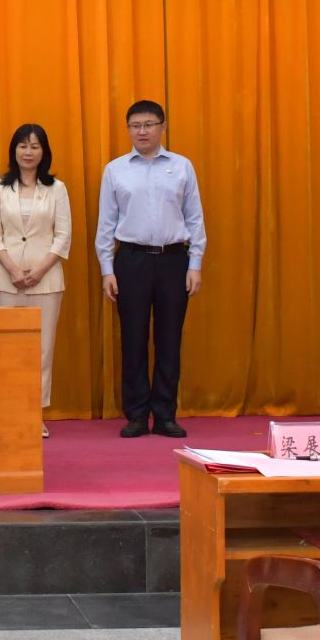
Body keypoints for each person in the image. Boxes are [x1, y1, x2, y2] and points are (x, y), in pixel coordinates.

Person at [96, 100, 206, 439]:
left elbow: (194, 218)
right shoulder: (115, 170)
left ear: (162, 127)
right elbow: (106, 223)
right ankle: (137, 415)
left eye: (148, 124)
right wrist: (107, 269)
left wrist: (195, 263)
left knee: (169, 339)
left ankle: (165, 414)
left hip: (174, 260)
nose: (142, 131)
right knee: (133, 339)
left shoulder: (182, 166)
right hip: (131, 260)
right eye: (135, 125)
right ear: (128, 129)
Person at [0, 124, 74, 438]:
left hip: (46, 280)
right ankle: (10, 412)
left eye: (35, 146)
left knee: (42, 350)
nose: (28, 152)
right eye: (23, 146)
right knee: (8, 348)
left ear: (44, 152)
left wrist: (39, 271)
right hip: (6, 280)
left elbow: (63, 236)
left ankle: (35, 414)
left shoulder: (57, 188)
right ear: (14, 150)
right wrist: (12, 269)